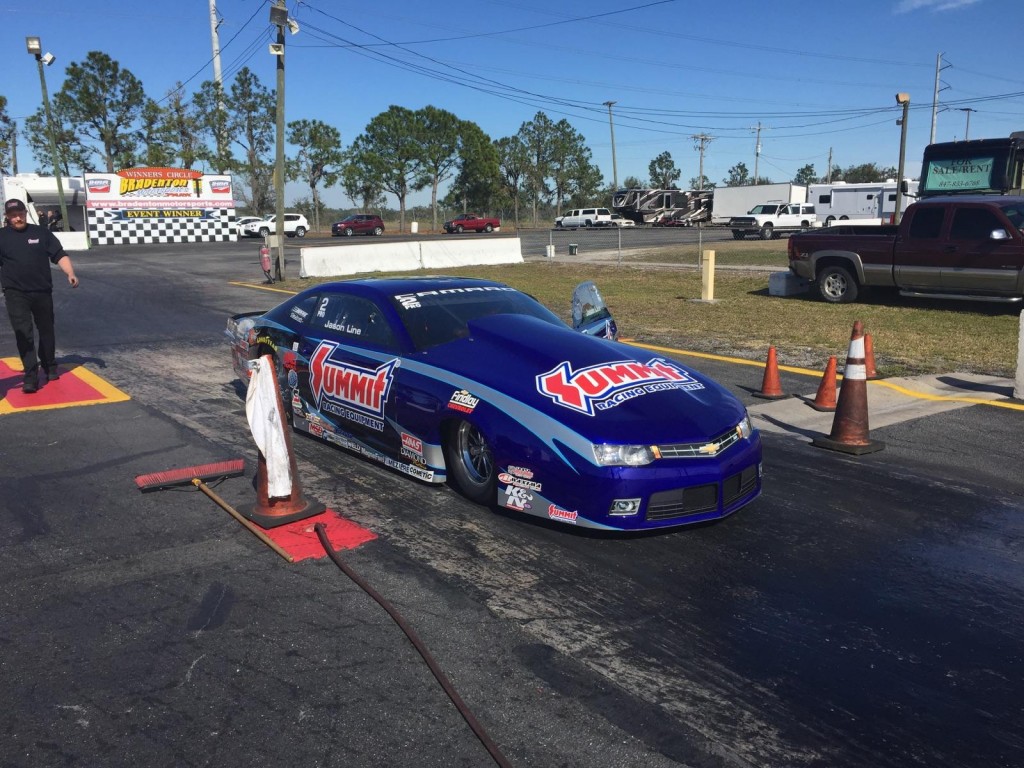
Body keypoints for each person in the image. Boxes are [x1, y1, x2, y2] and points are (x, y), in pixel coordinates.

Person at [0, 198, 79, 393]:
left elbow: (59, 254)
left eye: (20, 213)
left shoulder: (41, 233)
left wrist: (70, 273)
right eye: (13, 215)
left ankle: (50, 365)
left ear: (25, 213)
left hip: (42, 291)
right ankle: (30, 375)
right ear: (7, 217)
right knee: (23, 333)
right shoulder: (1, 236)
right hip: (15, 293)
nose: (17, 218)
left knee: (46, 330)